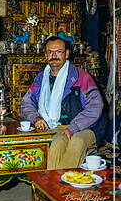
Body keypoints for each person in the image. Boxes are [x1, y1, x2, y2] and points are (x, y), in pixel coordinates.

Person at [21, 36, 107, 170]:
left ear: (67, 54)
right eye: (50, 52)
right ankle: (51, 186)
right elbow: (26, 103)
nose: (54, 55)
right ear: (45, 55)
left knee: (77, 142)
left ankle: (63, 186)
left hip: (86, 126)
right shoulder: (40, 79)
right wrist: (36, 118)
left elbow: (96, 107)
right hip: (56, 127)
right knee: (57, 143)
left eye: (59, 52)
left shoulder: (81, 77)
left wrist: (73, 127)